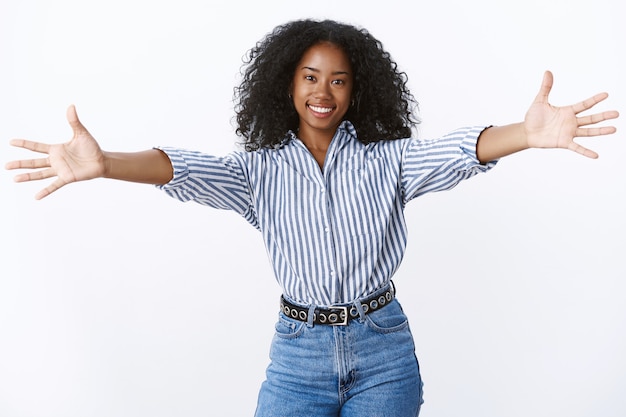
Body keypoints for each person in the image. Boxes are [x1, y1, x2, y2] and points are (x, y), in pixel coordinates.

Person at [5, 19, 619, 417]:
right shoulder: (259, 172)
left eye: (339, 81)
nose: (323, 91)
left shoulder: (390, 162)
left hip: (383, 350)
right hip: (297, 356)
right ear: (287, 84)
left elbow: (461, 151)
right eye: (309, 76)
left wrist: (526, 133)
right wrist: (106, 161)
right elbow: (182, 169)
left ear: (358, 92)